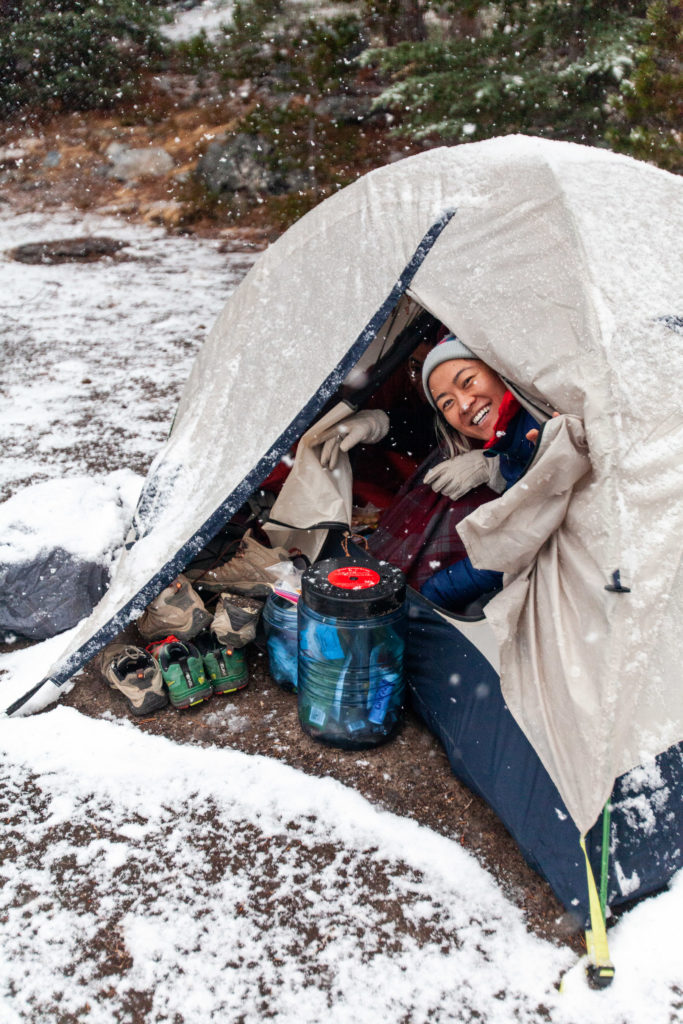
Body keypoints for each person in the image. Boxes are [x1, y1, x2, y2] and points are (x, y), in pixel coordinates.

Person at [417, 333, 541, 611]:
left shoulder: (537, 427)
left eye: (467, 381)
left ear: (498, 370)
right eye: (447, 403)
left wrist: (431, 594)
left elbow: (508, 550)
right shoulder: (511, 445)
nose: (463, 404)